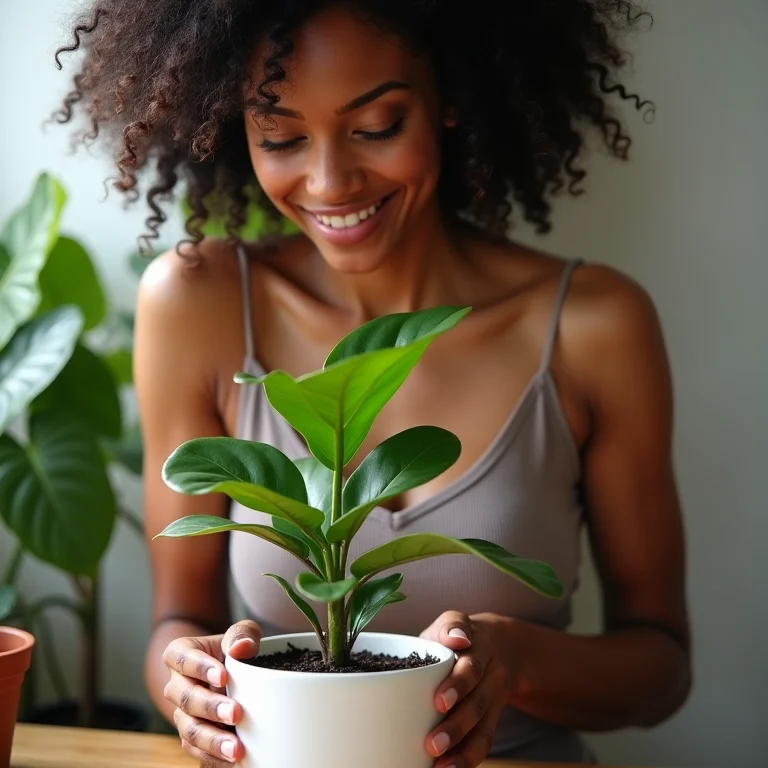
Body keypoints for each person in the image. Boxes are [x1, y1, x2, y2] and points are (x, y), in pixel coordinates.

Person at [53, 1, 692, 765]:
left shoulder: (594, 327)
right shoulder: (200, 306)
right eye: (281, 136)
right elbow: (178, 622)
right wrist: (193, 684)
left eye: (378, 125)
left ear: (450, 95)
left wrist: (513, 662)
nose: (330, 182)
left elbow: (659, 668)